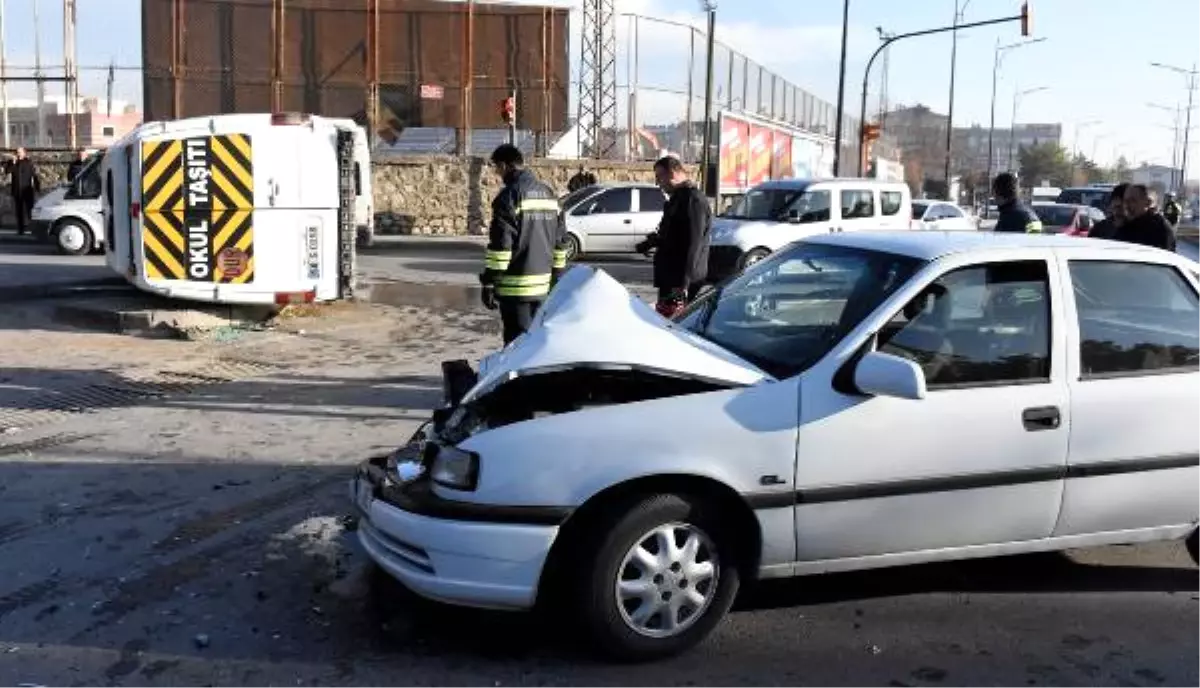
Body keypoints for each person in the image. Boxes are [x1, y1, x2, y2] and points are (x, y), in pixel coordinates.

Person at [480, 144, 570, 345]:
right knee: (537, 345)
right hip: (544, 288)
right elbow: (560, 243)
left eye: (496, 168)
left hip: (515, 290)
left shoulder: (508, 197)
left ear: (504, 166)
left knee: (516, 346)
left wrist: (489, 282)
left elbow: (501, 248)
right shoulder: (549, 194)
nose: (497, 174)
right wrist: (557, 279)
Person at [635, 155, 711, 318]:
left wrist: (684, 282)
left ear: (673, 173)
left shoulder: (692, 200)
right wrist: (651, 243)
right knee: (663, 320)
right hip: (671, 276)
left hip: (680, 280)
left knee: (671, 325)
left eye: (659, 177)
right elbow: (673, 234)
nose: (658, 183)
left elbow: (694, 243)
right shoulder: (678, 198)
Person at [1115, 184, 1176, 251]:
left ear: (1148, 203)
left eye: (1132, 200)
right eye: (1125, 201)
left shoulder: (1160, 228)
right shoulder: (1126, 224)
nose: (1126, 205)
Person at [7, 147, 39, 236]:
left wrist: (37, 187)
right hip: (17, 190)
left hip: (27, 190)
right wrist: (13, 163)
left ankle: (34, 228)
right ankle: (21, 229)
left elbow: (34, 175)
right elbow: (8, 171)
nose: (18, 154)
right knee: (19, 211)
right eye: (17, 152)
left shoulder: (29, 162)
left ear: (24, 153)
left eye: (20, 152)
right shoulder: (12, 162)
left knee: (30, 211)